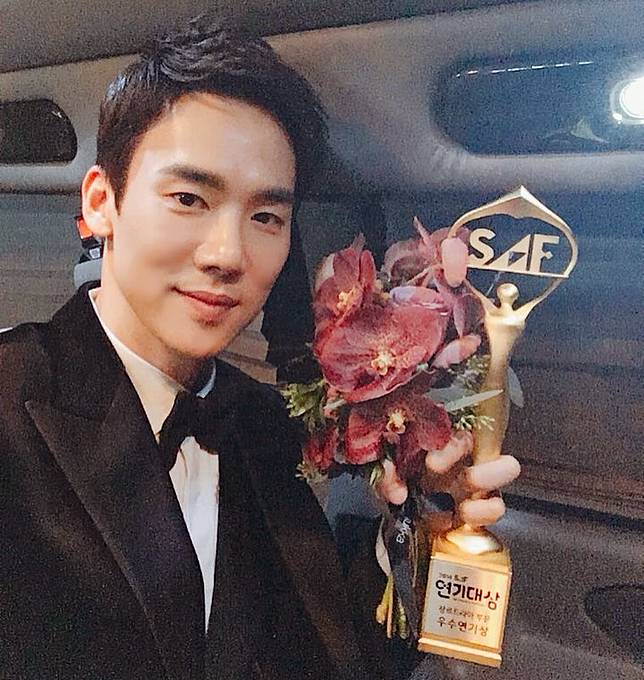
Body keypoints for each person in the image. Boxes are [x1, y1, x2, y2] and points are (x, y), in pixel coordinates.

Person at [0, 18, 519, 680]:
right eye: (189, 198)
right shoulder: (12, 404)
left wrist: (428, 529)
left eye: (266, 217)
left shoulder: (264, 422)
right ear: (102, 202)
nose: (227, 255)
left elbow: (335, 656)